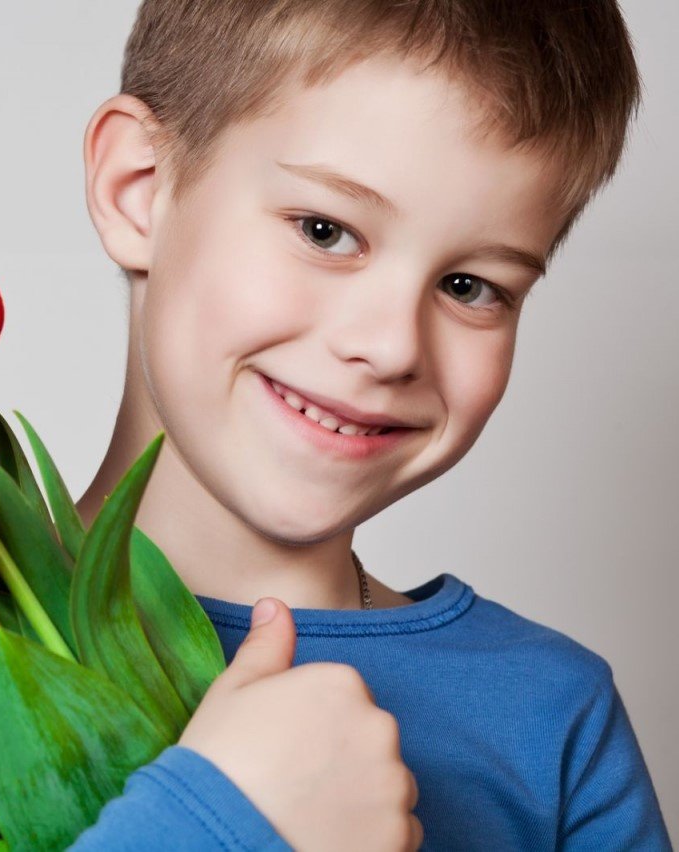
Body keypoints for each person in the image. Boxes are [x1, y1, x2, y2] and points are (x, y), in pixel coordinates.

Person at [66, 1, 671, 849]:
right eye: (326, 232)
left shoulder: (551, 717)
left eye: (468, 287)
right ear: (138, 190)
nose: (391, 347)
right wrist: (221, 824)